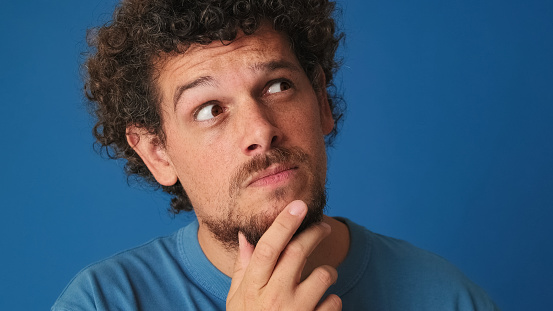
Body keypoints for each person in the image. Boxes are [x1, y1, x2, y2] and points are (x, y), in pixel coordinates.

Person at [53, 0, 499, 310]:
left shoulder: (447, 298)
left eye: (278, 86)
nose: (261, 131)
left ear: (322, 102)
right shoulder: (102, 303)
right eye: (210, 109)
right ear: (157, 153)